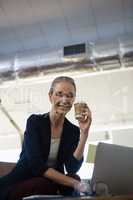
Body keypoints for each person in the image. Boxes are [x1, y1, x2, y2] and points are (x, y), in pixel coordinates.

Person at [0, 76, 92, 200]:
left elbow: (72, 168)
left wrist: (84, 133)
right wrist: (75, 184)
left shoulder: (72, 130)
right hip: (24, 180)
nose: (65, 100)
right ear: (50, 96)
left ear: (74, 99)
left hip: (51, 182)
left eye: (70, 96)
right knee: (48, 184)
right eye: (59, 94)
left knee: (74, 178)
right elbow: (37, 166)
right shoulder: (35, 122)